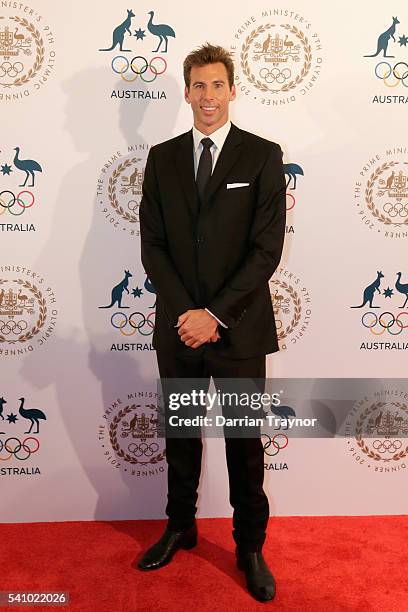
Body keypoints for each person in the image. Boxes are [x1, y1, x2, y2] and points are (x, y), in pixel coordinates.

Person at [138, 43, 286, 602]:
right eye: (198, 86)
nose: (207, 96)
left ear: (232, 89)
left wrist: (216, 315)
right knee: (180, 436)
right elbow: (153, 245)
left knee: (245, 443)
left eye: (217, 85)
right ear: (186, 91)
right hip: (179, 331)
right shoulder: (163, 157)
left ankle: (250, 546)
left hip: (240, 330)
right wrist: (187, 315)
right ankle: (180, 526)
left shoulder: (263, 156)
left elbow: (265, 250)